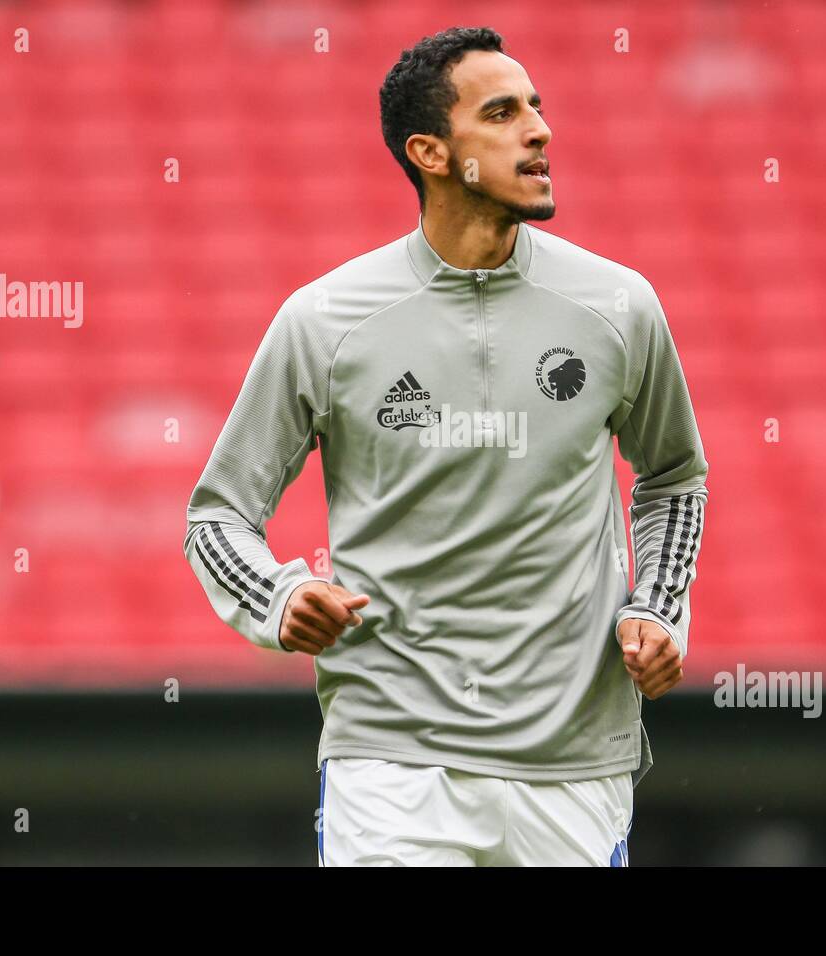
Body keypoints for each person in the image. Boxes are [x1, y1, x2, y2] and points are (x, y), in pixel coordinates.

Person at [184, 26, 708, 866]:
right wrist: (278, 600)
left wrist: (656, 605)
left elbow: (675, 476)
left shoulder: (620, 306)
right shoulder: (327, 321)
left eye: (536, 107)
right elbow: (217, 517)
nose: (539, 131)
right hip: (392, 757)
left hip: (572, 760)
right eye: (502, 113)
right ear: (430, 151)